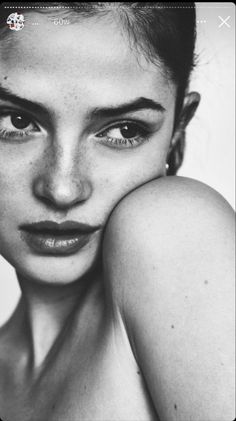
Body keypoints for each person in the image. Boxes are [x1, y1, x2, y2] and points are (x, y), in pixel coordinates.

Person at [0, 2, 234, 420]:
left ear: (177, 132)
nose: (62, 187)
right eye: (17, 123)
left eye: (124, 130)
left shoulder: (174, 229)